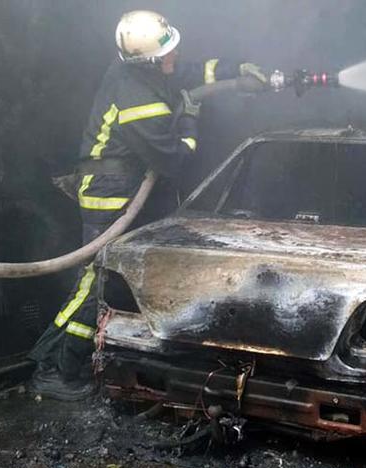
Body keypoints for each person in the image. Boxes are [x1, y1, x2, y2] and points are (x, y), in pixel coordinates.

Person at [29, 10, 267, 400]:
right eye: (168, 51)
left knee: (106, 280)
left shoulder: (143, 72)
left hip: (122, 188)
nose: (175, 55)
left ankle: (71, 361)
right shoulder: (138, 98)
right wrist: (190, 122)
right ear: (151, 59)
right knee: (101, 282)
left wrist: (234, 69)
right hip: (112, 192)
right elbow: (173, 160)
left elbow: (188, 71)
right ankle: (57, 367)